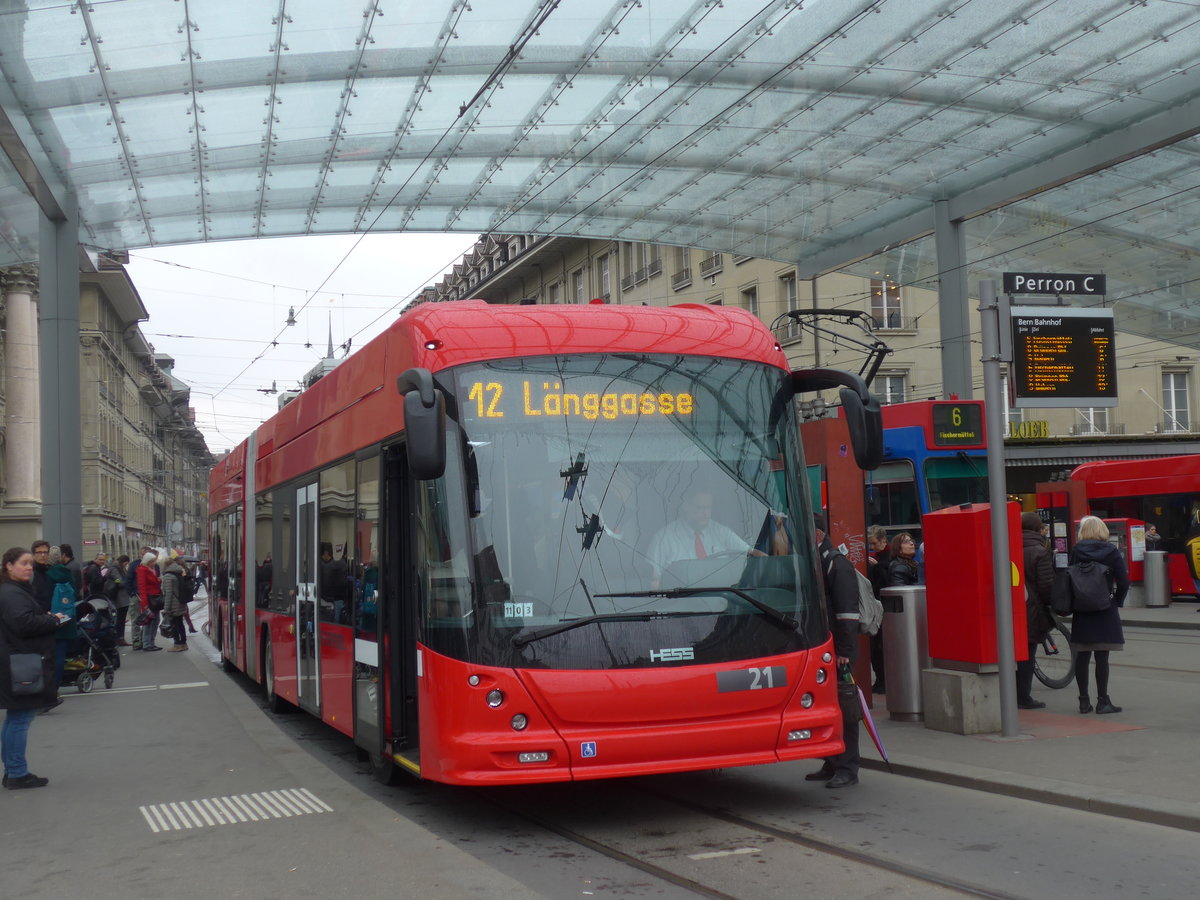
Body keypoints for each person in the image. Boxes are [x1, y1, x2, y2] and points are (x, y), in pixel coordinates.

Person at [1, 546, 66, 789]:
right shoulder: (12, 593)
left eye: (30, 563)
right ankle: (17, 772)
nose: (29, 567)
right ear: (9, 565)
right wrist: (53, 620)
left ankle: (12, 770)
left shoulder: (12, 590)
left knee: (15, 718)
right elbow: (23, 624)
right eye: (23, 563)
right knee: (21, 718)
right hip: (20, 662)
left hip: (15, 660)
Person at [806, 514, 861, 789]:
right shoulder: (820, 561)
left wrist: (845, 651)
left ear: (816, 535)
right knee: (830, 707)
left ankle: (848, 767)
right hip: (825, 649)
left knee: (846, 708)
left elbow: (848, 613)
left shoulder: (836, 564)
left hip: (838, 652)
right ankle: (832, 761)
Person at [1070, 516, 1129, 714]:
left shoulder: (1077, 551)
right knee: (1102, 657)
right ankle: (1103, 701)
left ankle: (1083, 701)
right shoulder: (1111, 551)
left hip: (1082, 609)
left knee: (1082, 656)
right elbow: (1123, 581)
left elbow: (1069, 577)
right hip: (1105, 608)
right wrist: (1117, 601)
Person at [647, 489, 759, 588]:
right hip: (681, 603)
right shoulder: (663, 539)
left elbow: (755, 556)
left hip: (724, 602)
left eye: (708, 508)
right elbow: (654, 581)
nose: (706, 514)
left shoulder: (720, 532)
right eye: (700, 508)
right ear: (686, 506)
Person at [1016, 512, 1054, 710]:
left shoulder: (1008, 545)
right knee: (1027, 653)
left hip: (1010, 605)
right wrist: (1052, 604)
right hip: (1031, 607)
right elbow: (1046, 585)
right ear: (1038, 529)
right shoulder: (1039, 550)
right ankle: (1023, 697)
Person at [865, 525, 890, 694]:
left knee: (879, 646)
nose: (872, 548)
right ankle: (881, 680)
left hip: (882, 607)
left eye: (874, 544)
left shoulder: (886, 559)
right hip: (877, 605)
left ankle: (882, 681)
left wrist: (876, 567)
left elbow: (885, 582)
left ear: (883, 541)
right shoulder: (879, 557)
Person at [160, 553, 189, 652]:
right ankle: (183, 643)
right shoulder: (178, 572)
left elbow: (168, 594)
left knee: (175, 625)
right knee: (180, 624)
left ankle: (177, 644)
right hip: (180, 603)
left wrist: (166, 608)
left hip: (173, 604)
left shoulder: (168, 576)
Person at [136, 550, 163, 652]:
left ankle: (151, 642)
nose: (154, 563)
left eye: (154, 561)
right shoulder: (142, 570)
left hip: (155, 599)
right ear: (147, 561)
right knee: (149, 622)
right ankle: (147, 644)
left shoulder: (152, 569)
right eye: (152, 561)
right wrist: (144, 604)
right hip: (149, 599)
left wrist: (158, 580)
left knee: (155, 621)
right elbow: (142, 587)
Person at [105, 555, 133, 647]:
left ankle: (120, 638)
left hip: (122, 597)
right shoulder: (115, 569)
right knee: (120, 620)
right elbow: (118, 581)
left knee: (121, 619)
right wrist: (123, 583)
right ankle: (119, 638)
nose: (126, 565)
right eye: (126, 563)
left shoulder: (117, 568)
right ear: (124, 562)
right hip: (119, 597)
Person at [30, 540, 53, 614]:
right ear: (33, 554)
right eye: (39, 552)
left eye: (45, 552)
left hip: (48, 618)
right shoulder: (29, 573)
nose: (43, 555)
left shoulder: (49, 572)